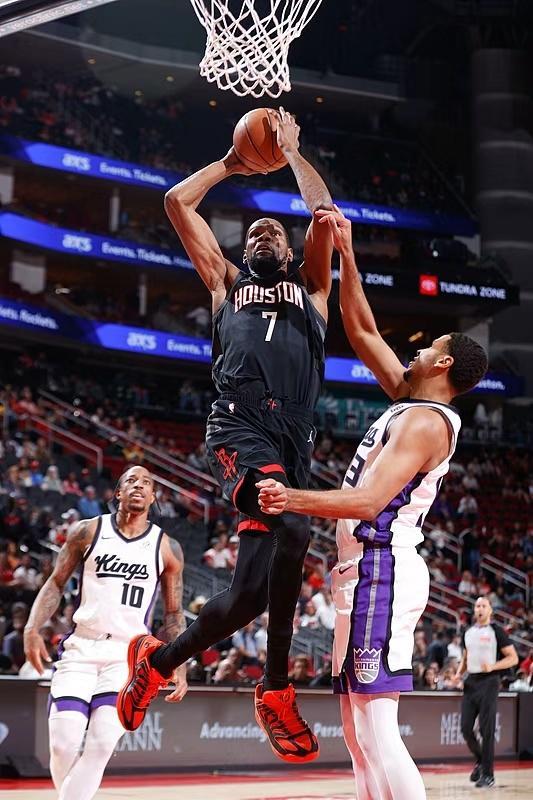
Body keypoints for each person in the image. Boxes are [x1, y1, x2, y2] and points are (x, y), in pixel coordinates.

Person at [117, 107, 334, 764]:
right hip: (239, 426)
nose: (265, 233)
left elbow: (325, 217)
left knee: (246, 597)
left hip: (293, 443)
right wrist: (231, 165)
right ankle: (275, 687)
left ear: (290, 254)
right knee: (296, 528)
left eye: (275, 232)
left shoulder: (313, 290)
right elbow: (176, 201)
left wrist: (290, 152)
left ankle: (157, 663)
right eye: (256, 231)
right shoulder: (225, 283)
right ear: (243, 251)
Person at [257, 205, 488, 799]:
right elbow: (361, 331)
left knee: (378, 724)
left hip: (383, 568)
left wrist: (290, 498)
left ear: (442, 363)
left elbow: (366, 502)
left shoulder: (426, 422)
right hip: (359, 572)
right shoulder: (409, 400)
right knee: (357, 729)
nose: (414, 350)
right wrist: (346, 252)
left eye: (426, 347)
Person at [23, 465, 187, 800]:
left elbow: (173, 613)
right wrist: (31, 627)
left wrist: (179, 662)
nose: (138, 486)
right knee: (63, 745)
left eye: (146, 483)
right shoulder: (87, 531)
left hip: (127, 657)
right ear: (118, 492)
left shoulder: (167, 547)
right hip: (82, 647)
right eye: (131, 481)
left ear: (153, 497)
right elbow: (55, 583)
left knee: (100, 744)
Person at [454, 596, 518, 788]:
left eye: (484, 606)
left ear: (490, 610)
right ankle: (481, 761)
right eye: (477, 606)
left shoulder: (496, 631)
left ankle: (488, 775)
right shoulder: (468, 632)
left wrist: (493, 666)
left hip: (489, 681)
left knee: (486, 729)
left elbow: (513, 658)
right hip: (471, 682)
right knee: (465, 728)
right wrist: (458, 675)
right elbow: (466, 657)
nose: (480, 609)